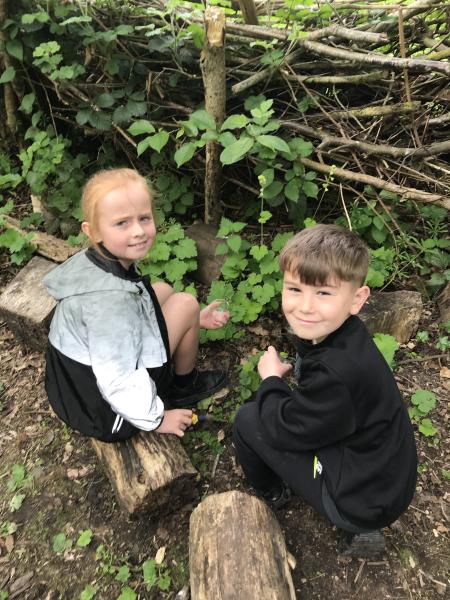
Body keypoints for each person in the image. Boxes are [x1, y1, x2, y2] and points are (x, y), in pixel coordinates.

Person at [233, 224, 417, 557]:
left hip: (364, 501)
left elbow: (284, 429)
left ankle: (274, 494)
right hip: (388, 478)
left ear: (357, 299)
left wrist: (271, 381)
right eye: (294, 289)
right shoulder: (349, 336)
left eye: (323, 293)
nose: (305, 306)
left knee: (248, 419)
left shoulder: (335, 374)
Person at [44, 168, 229, 443]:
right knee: (186, 304)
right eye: (122, 223)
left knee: (163, 290)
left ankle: (189, 323)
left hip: (71, 384)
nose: (139, 231)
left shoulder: (99, 260)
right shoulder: (109, 305)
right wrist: (157, 418)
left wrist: (192, 322)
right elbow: (118, 380)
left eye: (144, 218)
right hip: (105, 411)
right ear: (93, 231)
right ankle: (183, 385)